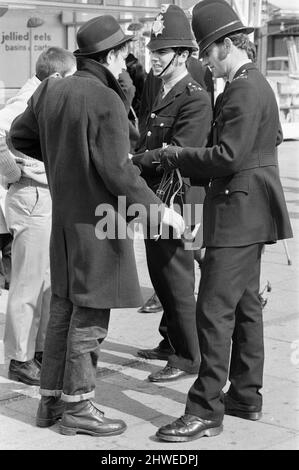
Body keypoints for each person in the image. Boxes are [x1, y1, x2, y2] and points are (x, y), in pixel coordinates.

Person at [9, 15, 185, 437]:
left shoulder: (53, 90)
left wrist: (62, 165)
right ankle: (79, 408)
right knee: (90, 318)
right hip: (97, 224)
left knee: (63, 312)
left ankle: (50, 405)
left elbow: (20, 135)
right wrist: (159, 209)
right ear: (111, 54)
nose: (128, 60)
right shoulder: (104, 98)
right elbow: (119, 172)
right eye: (125, 52)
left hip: (65, 219)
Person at [155, 0, 293, 442]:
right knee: (246, 306)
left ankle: (204, 411)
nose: (203, 63)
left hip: (237, 212)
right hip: (249, 209)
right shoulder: (254, 85)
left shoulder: (242, 89)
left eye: (206, 53)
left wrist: (175, 154)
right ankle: (245, 396)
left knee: (213, 312)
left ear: (224, 47)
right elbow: (268, 139)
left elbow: (228, 155)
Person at [132, 4, 213, 382]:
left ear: (182, 55)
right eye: (154, 50)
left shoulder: (194, 97)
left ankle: (188, 357)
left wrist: (133, 160)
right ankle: (170, 340)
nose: (154, 56)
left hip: (178, 201)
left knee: (176, 279)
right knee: (161, 276)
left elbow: (177, 152)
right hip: (156, 199)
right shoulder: (162, 88)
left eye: (162, 51)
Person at [0, 47, 76, 386]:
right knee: (28, 284)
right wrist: (13, 173)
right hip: (31, 196)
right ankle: (20, 358)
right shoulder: (27, 99)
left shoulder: (40, 95)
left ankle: (38, 350)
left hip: (44, 197)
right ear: (57, 77)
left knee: (45, 282)